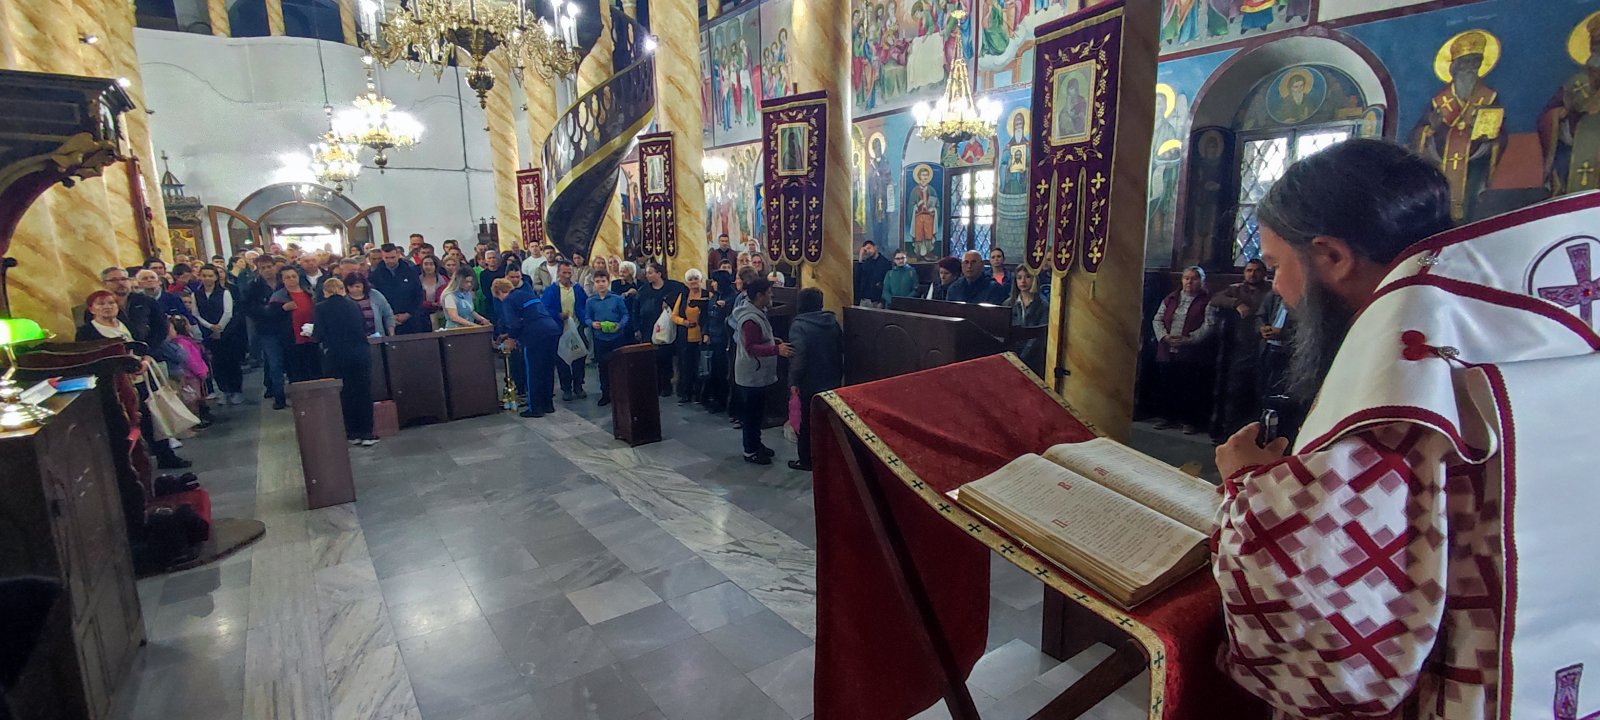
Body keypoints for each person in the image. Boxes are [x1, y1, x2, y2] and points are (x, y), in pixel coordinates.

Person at [1202, 138, 1600, 719]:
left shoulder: (1399, 371)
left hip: (1455, 684)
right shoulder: (1523, 323)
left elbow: (1323, 602)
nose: (1278, 287)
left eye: (1279, 264)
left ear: (1332, 256)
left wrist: (1247, 484)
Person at [1208, 258, 1273, 438]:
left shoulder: (1271, 290)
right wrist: (1237, 303)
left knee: (1260, 393)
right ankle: (1230, 433)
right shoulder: (1236, 289)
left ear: (1264, 273)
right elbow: (1216, 299)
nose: (1253, 274)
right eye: (1249, 270)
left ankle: (1257, 434)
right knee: (1235, 392)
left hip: (1264, 346)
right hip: (1240, 347)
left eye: (1257, 271)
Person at [731, 278, 793, 464]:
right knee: (751, 415)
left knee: (758, 413)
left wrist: (773, 340)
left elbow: (759, 338)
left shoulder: (757, 312)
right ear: (759, 295)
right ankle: (750, 450)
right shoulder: (750, 319)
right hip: (751, 374)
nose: (771, 295)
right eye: (769, 292)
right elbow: (751, 348)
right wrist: (776, 349)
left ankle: (756, 444)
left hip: (758, 372)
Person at [1149, 266, 1216, 434]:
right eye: (1186, 278)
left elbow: (1209, 325)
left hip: (1191, 352)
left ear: (1202, 281)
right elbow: (1157, 319)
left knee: (1189, 387)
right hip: (1167, 348)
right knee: (1167, 384)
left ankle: (1189, 421)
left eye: (1194, 278)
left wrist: (1190, 339)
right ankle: (1167, 417)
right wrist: (1164, 337)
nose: (1189, 282)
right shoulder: (1171, 298)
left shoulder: (1207, 300)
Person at [311, 278, 378, 446]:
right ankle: (367, 433)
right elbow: (363, 327)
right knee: (363, 392)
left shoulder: (321, 308)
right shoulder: (354, 305)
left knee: (345, 394)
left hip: (337, 356)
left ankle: (352, 433)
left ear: (325, 292)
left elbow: (319, 334)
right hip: (360, 354)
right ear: (342, 290)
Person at [785, 288, 842, 472]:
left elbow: (799, 356)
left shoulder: (800, 325)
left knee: (808, 421)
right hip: (832, 377)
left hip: (809, 380)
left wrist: (794, 381)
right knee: (828, 420)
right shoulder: (832, 322)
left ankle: (806, 460)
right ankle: (829, 456)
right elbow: (840, 348)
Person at [491, 277, 561, 418]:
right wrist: (509, 335)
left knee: (534, 372)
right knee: (547, 369)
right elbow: (531, 316)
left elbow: (515, 324)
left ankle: (535, 408)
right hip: (552, 330)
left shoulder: (508, 300)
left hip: (535, 336)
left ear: (499, 292)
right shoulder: (526, 294)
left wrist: (511, 340)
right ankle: (548, 405)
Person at [194, 265, 245, 404]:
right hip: (208, 333)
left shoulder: (224, 292)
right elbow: (196, 314)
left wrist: (219, 328)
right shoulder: (196, 294)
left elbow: (228, 312)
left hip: (227, 333)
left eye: (210, 275)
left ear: (216, 277)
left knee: (231, 361)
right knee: (216, 364)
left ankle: (236, 390)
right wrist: (210, 327)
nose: (207, 278)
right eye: (204, 275)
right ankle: (224, 390)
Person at [635, 262, 686, 394]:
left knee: (666, 356)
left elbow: (683, 292)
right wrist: (637, 327)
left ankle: (666, 385)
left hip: (666, 328)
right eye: (647, 273)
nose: (648, 275)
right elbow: (636, 309)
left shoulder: (672, 286)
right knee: (652, 358)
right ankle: (655, 385)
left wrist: (669, 301)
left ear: (659, 273)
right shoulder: (643, 290)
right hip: (648, 328)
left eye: (650, 272)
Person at [542, 261, 589, 401]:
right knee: (562, 359)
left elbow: (584, 305)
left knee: (579, 357)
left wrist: (584, 319)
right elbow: (545, 308)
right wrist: (557, 315)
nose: (567, 276)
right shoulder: (551, 290)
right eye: (564, 273)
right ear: (558, 273)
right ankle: (566, 388)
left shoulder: (577, 288)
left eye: (569, 273)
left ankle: (578, 385)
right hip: (559, 329)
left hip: (577, 327)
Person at [269, 266, 320, 392]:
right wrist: (282, 309)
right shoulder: (278, 297)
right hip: (292, 339)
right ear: (282, 280)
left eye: (293, 276)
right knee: (297, 373)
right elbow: (271, 317)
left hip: (311, 338)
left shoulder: (309, 293)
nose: (291, 279)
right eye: (287, 277)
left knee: (314, 370)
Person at [586, 270, 630, 406]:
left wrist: (620, 325)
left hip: (616, 337)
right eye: (597, 282)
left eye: (603, 281)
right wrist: (592, 324)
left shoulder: (617, 299)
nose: (601, 284)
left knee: (619, 366)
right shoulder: (591, 301)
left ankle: (620, 393)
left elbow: (625, 315)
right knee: (603, 367)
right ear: (594, 283)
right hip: (600, 338)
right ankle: (606, 393)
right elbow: (587, 317)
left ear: (608, 282)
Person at [671, 269, 711, 404]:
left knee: (700, 367)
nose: (694, 282)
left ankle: (700, 395)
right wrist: (684, 322)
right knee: (685, 366)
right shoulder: (683, 296)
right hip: (685, 337)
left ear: (701, 280)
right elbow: (674, 316)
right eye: (691, 279)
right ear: (687, 283)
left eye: (696, 279)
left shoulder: (707, 295)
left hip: (701, 337)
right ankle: (686, 394)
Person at [369, 243, 428, 334]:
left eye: (393, 257)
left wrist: (408, 314)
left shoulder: (410, 271)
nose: (390, 261)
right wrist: (390, 317)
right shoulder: (375, 275)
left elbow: (418, 294)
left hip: (412, 319)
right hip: (387, 320)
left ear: (398, 254)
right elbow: (376, 298)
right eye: (386, 258)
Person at [702, 269, 736, 413]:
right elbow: (708, 316)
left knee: (721, 371)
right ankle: (712, 397)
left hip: (723, 339)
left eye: (715, 281)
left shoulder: (732, 297)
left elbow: (731, 318)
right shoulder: (715, 296)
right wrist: (706, 332)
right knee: (713, 370)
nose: (713, 284)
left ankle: (721, 401)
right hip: (713, 337)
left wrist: (725, 307)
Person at [1008, 265, 1048, 376]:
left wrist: (1022, 357)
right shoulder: (1009, 303)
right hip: (1012, 357)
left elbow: (1040, 336)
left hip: (1034, 359)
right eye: (1019, 277)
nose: (1023, 281)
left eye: (1027, 277)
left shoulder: (1043, 305)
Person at [853, 240, 892, 308]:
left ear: (875, 247)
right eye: (865, 250)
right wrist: (860, 257)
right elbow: (858, 277)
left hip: (877, 300)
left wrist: (882, 301)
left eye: (869, 248)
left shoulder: (885, 263)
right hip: (864, 299)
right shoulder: (867, 262)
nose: (868, 251)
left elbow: (887, 284)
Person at [611, 261, 641, 341]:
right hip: (622, 314)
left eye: (624, 272)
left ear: (631, 272)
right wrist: (626, 293)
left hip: (636, 314)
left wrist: (637, 294)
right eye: (620, 271)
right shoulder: (615, 284)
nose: (621, 274)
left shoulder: (640, 284)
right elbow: (614, 299)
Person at [418, 255, 448, 328]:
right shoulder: (417, 280)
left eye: (431, 264)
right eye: (426, 264)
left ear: (436, 266)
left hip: (441, 314)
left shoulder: (444, 280)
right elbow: (416, 299)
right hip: (422, 315)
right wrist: (430, 304)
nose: (428, 267)